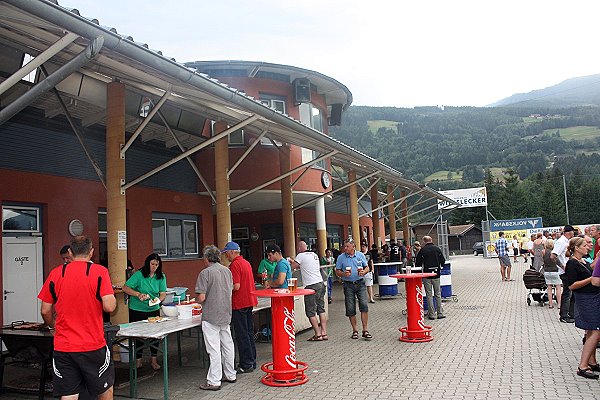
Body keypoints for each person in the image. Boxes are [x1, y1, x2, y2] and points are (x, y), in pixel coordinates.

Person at [38, 236, 116, 400]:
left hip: (64, 346)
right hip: (93, 345)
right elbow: (109, 307)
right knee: (105, 389)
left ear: (70, 252)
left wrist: (53, 326)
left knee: (68, 395)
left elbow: (45, 310)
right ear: (92, 252)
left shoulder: (56, 273)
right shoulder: (100, 272)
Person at [195, 245, 236, 391]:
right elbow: (230, 289)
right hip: (225, 312)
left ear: (206, 258)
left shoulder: (204, 273)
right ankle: (231, 374)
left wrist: (196, 301)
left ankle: (214, 380)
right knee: (228, 345)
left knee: (213, 349)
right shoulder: (227, 271)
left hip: (211, 315)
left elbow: (201, 296)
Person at [122, 253, 167, 370]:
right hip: (137, 309)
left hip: (153, 309)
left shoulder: (161, 276)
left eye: (157, 264)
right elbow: (125, 288)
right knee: (138, 335)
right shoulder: (139, 275)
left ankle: (154, 360)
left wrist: (158, 300)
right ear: (148, 263)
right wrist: (138, 294)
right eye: (152, 264)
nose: (154, 266)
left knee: (155, 336)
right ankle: (138, 361)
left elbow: (163, 293)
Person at [564, 236, 600, 379]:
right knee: (596, 331)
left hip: (591, 297)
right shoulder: (572, 264)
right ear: (576, 248)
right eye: (585, 245)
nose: (588, 247)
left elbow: (590, 269)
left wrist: (596, 260)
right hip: (586, 299)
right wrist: (591, 279)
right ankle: (583, 365)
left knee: (591, 332)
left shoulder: (582, 261)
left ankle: (591, 361)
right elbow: (572, 285)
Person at [222, 241, 258, 374]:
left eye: (226, 253)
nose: (225, 256)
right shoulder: (246, 262)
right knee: (248, 333)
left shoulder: (235, 265)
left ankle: (246, 364)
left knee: (242, 335)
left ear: (232, 252)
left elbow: (235, 286)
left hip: (239, 303)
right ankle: (252, 360)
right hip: (249, 301)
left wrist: (224, 289)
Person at [335, 239, 372, 340]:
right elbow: (337, 271)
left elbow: (367, 267)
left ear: (353, 247)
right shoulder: (341, 257)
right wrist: (343, 274)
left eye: (347, 246)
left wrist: (363, 272)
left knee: (364, 305)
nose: (345, 248)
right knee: (350, 308)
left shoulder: (360, 255)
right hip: (348, 284)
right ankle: (355, 330)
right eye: (344, 246)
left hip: (360, 283)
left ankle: (365, 330)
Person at [293, 241, 328, 341]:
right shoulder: (314, 255)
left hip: (311, 286)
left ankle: (317, 334)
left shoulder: (300, 256)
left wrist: (291, 262)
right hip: (321, 283)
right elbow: (307, 266)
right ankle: (324, 332)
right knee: (321, 309)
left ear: (299, 248)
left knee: (310, 311)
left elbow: (292, 267)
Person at [415, 236, 446, 320]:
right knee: (438, 294)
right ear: (431, 240)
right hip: (436, 274)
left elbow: (418, 263)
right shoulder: (437, 249)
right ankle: (440, 313)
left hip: (426, 275)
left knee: (429, 294)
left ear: (424, 241)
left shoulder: (423, 250)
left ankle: (431, 314)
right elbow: (443, 260)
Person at [553, 225, 576, 323]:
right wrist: (563, 266)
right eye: (573, 232)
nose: (574, 233)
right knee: (567, 293)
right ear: (569, 232)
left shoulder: (566, 241)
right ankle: (564, 315)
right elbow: (553, 256)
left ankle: (571, 313)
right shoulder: (561, 242)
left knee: (572, 293)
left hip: (569, 270)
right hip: (565, 271)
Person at [542, 239, 562, 309]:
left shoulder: (543, 251)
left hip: (547, 271)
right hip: (555, 271)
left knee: (549, 288)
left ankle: (550, 304)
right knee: (558, 288)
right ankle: (559, 304)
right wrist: (563, 267)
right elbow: (558, 262)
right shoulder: (553, 252)